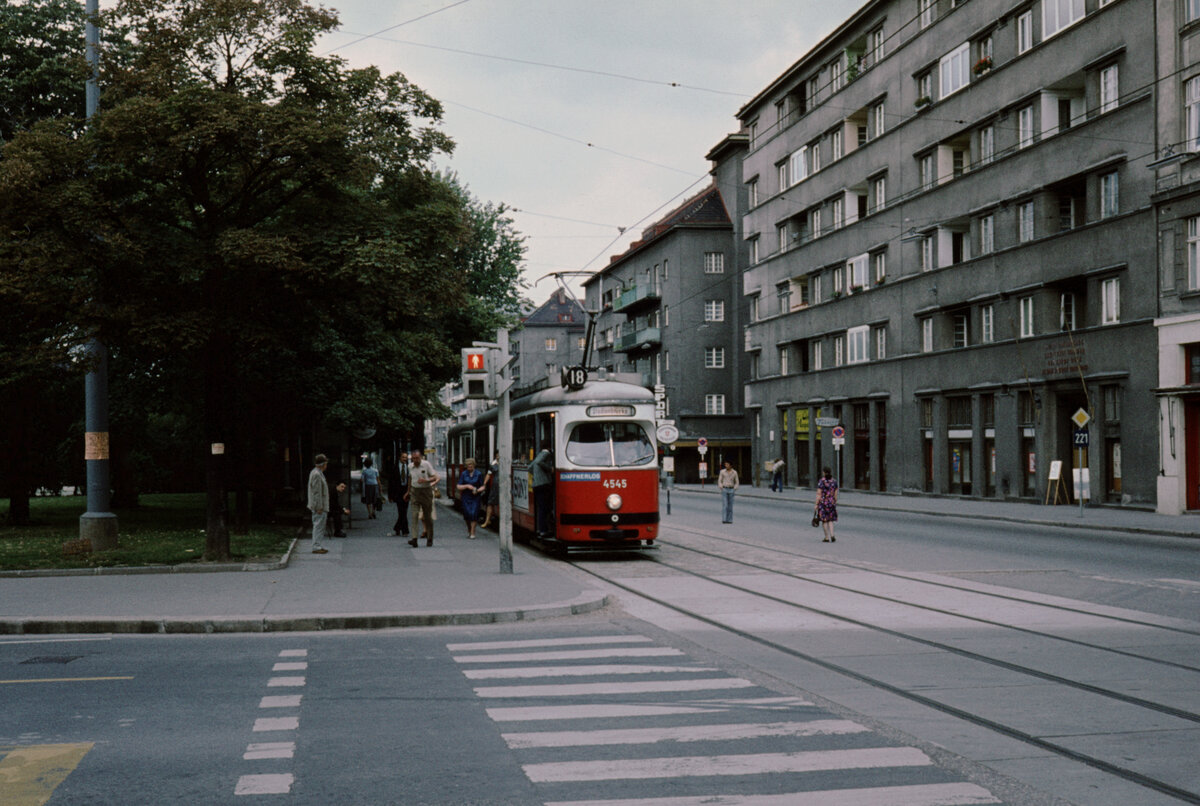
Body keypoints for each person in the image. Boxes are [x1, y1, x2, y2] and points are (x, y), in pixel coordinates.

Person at [405, 449, 440, 547]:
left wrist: (426, 480)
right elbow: (410, 479)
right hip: (415, 492)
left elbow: (435, 477)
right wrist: (408, 492)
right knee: (414, 516)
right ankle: (414, 539)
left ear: (420, 457)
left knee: (427, 517)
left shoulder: (426, 464)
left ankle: (430, 538)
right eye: (413, 458)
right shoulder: (410, 466)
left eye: (417, 458)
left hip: (426, 492)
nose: (415, 460)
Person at [456, 458, 486, 539]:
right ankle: (469, 529)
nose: (470, 468)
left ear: (474, 466)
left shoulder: (479, 474)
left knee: (474, 513)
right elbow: (458, 486)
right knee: (467, 514)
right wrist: (467, 486)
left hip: (475, 496)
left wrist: (477, 490)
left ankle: (473, 532)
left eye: (471, 466)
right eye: (468, 467)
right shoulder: (463, 474)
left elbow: (483, 486)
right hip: (466, 496)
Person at [307, 454, 330, 554]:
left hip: (320, 505)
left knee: (320, 526)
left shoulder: (317, 473)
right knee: (318, 525)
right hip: (319, 506)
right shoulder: (316, 474)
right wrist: (319, 507)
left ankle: (318, 545)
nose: (326, 466)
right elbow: (316, 492)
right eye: (326, 463)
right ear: (323, 464)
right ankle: (316, 546)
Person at [531, 446, 555, 538]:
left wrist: (537, 476)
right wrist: (550, 470)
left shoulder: (538, 454)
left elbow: (530, 467)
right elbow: (539, 462)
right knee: (544, 508)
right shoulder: (546, 453)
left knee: (541, 508)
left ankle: (542, 529)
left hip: (536, 485)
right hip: (543, 485)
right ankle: (544, 530)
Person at [387, 451, 410, 538]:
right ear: (400, 458)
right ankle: (405, 530)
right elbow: (391, 482)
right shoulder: (394, 468)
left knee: (404, 511)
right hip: (398, 492)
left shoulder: (409, 467)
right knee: (402, 511)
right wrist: (390, 495)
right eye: (403, 457)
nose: (405, 459)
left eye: (406, 457)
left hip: (406, 491)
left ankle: (397, 527)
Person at [815, 465, 839, 543]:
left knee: (824, 520)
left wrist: (816, 504)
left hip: (823, 502)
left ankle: (826, 537)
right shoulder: (834, 482)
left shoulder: (822, 481)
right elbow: (836, 494)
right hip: (831, 502)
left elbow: (819, 494)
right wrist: (834, 501)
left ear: (824, 473)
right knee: (831, 520)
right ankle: (832, 535)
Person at [480, 451, 499, 529]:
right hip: (495, 486)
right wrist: (484, 483)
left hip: (505, 486)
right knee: (490, 502)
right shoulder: (492, 464)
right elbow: (488, 474)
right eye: (498, 455)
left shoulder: (507, 462)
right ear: (495, 455)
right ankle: (487, 520)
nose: (499, 456)